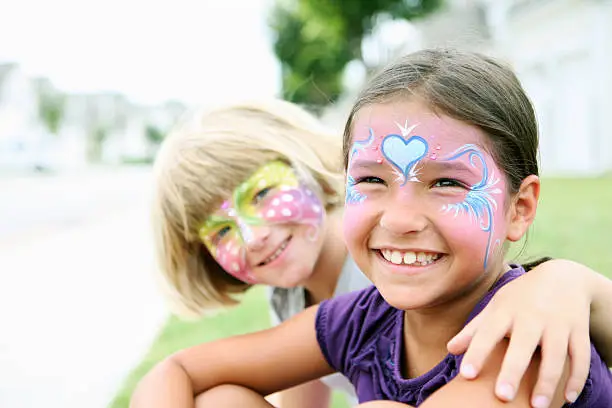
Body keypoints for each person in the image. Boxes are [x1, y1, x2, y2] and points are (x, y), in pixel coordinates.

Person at [144, 84, 612, 408]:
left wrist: (572, 282)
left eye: (447, 182)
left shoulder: (522, 336)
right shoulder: (341, 313)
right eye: (371, 181)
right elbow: (179, 371)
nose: (253, 235)